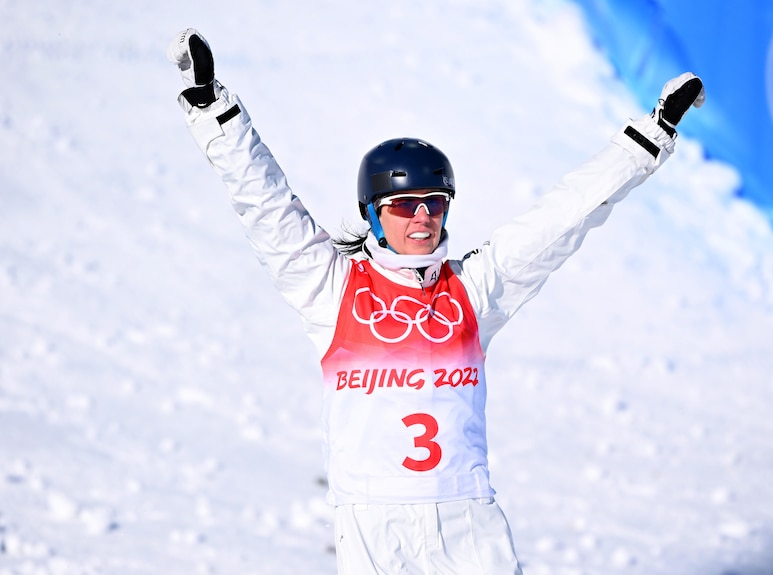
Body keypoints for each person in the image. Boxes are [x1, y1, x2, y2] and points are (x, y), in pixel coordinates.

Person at [167, 28, 704, 575]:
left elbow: (563, 216)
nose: (422, 217)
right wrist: (213, 108)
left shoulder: (472, 289)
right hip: (374, 525)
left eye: (434, 202)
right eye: (403, 205)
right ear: (373, 213)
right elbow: (266, 206)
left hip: (468, 522)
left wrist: (650, 135)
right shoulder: (329, 288)